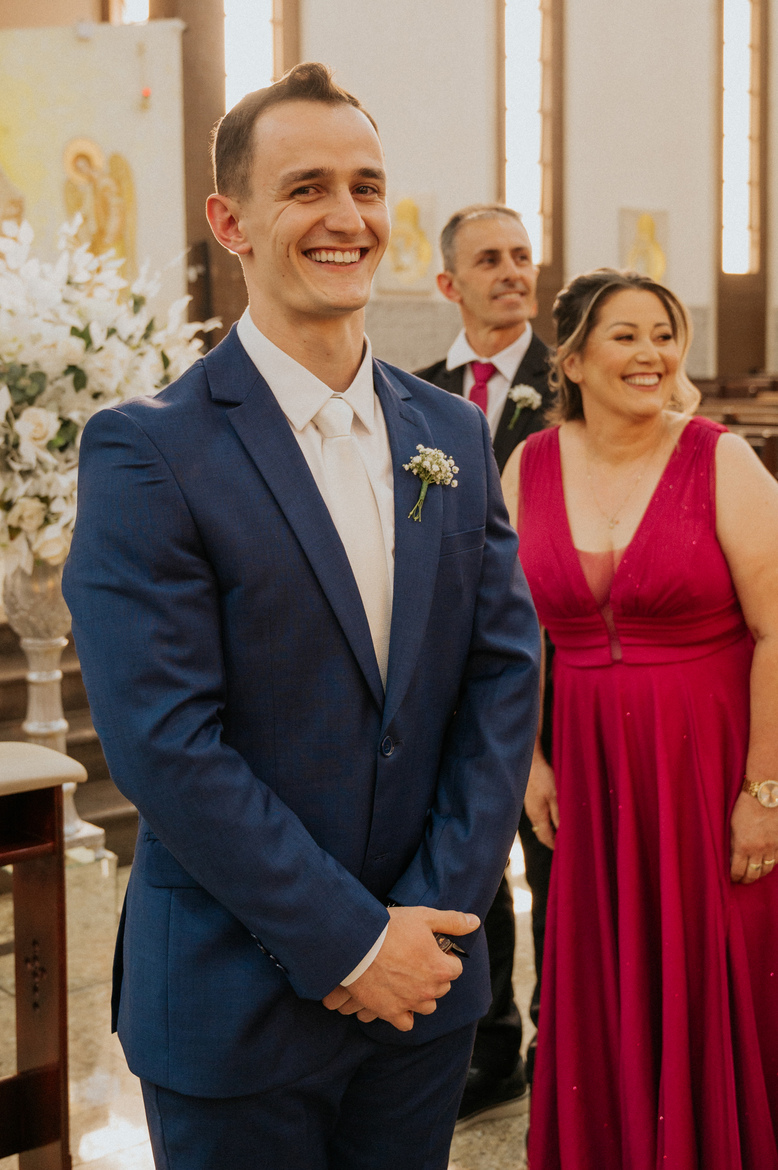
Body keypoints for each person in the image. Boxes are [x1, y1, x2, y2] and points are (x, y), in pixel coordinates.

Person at [62, 63, 541, 1170]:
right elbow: (164, 742)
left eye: (366, 186)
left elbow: (502, 676)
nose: (347, 217)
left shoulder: (450, 436)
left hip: (426, 991)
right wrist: (353, 943)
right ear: (230, 221)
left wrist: (428, 925)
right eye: (307, 188)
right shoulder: (149, 450)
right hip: (235, 999)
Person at [501, 268, 778, 1168]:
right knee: (607, 971)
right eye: (624, 336)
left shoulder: (718, 459)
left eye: (664, 335)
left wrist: (765, 791)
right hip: (591, 766)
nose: (651, 353)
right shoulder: (531, 465)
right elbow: (512, 632)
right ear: (574, 360)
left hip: (710, 761)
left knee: (717, 972)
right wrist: (530, 761)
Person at [416, 204, 555, 1127]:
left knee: (552, 863)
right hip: (441, 669)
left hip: (545, 663)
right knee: (468, 861)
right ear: (448, 284)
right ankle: (490, 1042)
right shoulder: (416, 392)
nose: (512, 272)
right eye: (490, 260)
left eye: (521, 256)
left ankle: (561, 1036)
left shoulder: (570, 382)